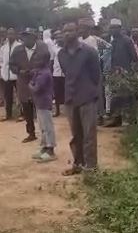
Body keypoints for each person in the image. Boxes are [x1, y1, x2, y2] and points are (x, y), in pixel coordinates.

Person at [58, 22, 101, 176]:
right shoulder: (61, 54)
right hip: (70, 98)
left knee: (89, 135)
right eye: (64, 31)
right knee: (76, 135)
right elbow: (66, 73)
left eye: (69, 31)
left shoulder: (89, 52)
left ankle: (91, 168)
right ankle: (78, 164)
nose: (66, 34)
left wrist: (90, 90)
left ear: (77, 32)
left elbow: (96, 75)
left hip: (87, 98)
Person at [10, 28, 51, 142]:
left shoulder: (42, 47)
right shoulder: (18, 50)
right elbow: (12, 65)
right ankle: (31, 133)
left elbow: (47, 62)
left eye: (28, 36)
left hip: (39, 82)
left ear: (34, 37)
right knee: (27, 111)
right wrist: (19, 71)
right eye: (24, 37)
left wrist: (38, 71)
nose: (25, 39)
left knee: (41, 111)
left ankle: (46, 136)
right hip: (23, 83)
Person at [104, 18, 138, 128]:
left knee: (127, 97)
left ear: (120, 28)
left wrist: (130, 72)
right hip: (115, 73)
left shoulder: (127, 40)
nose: (113, 30)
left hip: (126, 73)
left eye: (115, 28)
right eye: (111, 28)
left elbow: (134, 57)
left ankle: (129, 121)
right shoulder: (112, 42)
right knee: (116, 98)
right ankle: (116, 119)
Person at [29, 52, 57, 163]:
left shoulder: (44, 73)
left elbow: (35, 88)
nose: (35, 62)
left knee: (48, 127)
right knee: (42, 127)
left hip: (45, 103)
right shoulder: (38, 72)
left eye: (38, 60)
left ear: (45, 61)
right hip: (39, 103)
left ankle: (51, 150)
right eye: (35, 60)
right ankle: (45, 147)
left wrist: (30, 85)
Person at [0, 28, 22, 121]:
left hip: (17, 75)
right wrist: (3, 71)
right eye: (9, 34)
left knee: (20, 95)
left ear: (15, 35)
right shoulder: (3, 47)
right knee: (7, 96)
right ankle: (8, 114)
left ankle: (22, 113)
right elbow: (2, 61)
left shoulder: (20, 46)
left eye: (12, 34)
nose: (10, 36)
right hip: (6, 75)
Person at [51, 30, 65, 117]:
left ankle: (69, 110)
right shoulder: (54, 48)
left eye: (60, 37)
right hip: (56, 73)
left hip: (66, 74)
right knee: (57, 92)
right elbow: (52, 60)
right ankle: (57, 111)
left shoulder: (67, 48)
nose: (59, 39)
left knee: (67, 92)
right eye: (57, 37)